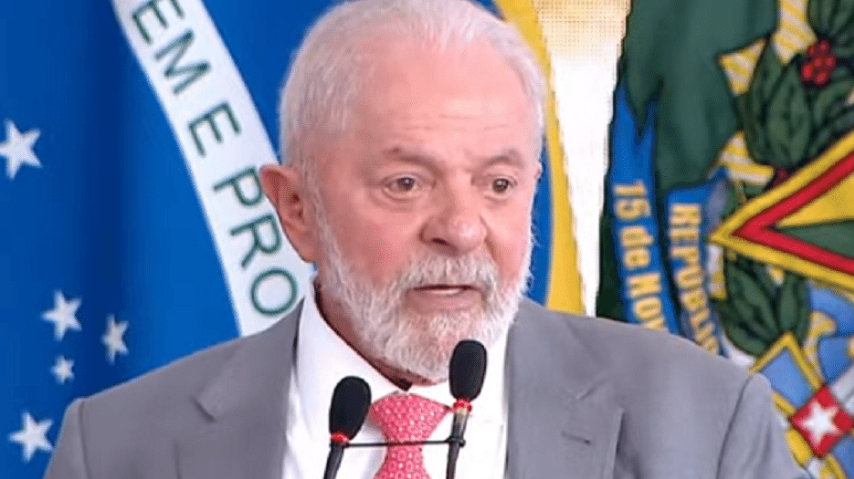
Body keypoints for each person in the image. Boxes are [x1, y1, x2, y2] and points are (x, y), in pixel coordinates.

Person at [44, 0, 806, 477]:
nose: (462, 228)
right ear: (297, 209)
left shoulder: (704, 425)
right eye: (406, 183)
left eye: (498, 184)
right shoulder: (114, 449)